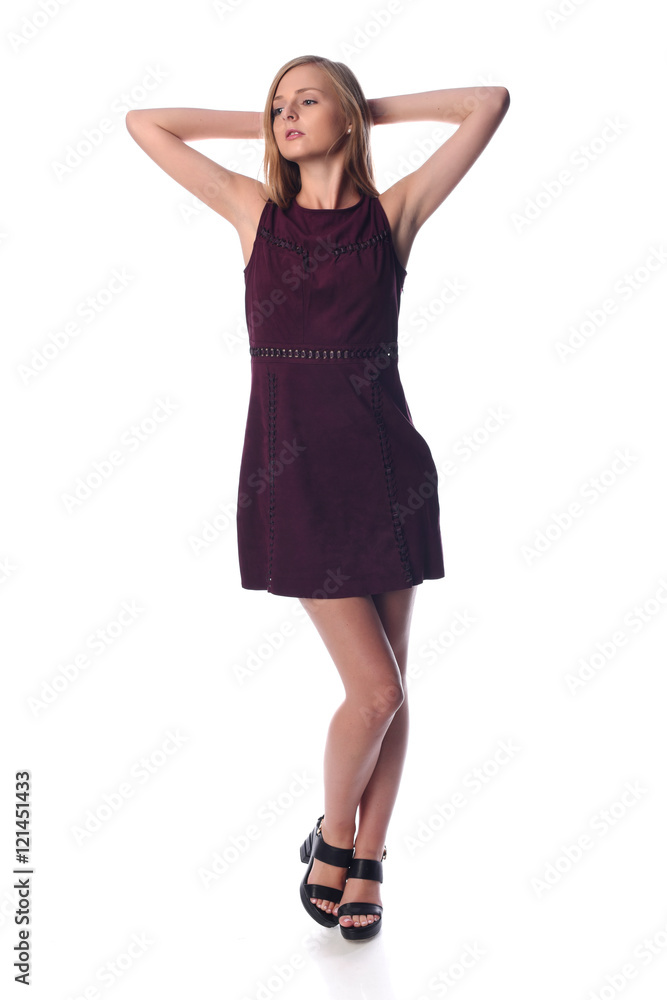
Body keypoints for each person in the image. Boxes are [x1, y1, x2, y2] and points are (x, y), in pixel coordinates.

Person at [126, 55, 509, 940]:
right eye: (277, 105)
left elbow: (486, 103)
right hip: (292, 476)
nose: (286, 114)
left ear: (346, 119)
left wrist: (363, 106)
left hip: (388, 472)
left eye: (307, 102)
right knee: (372, 691)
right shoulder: (253, 213)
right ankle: (334, 837)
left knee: (393, 689)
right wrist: (266, 122)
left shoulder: (393, 216)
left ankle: (368, 858)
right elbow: (147, 123)